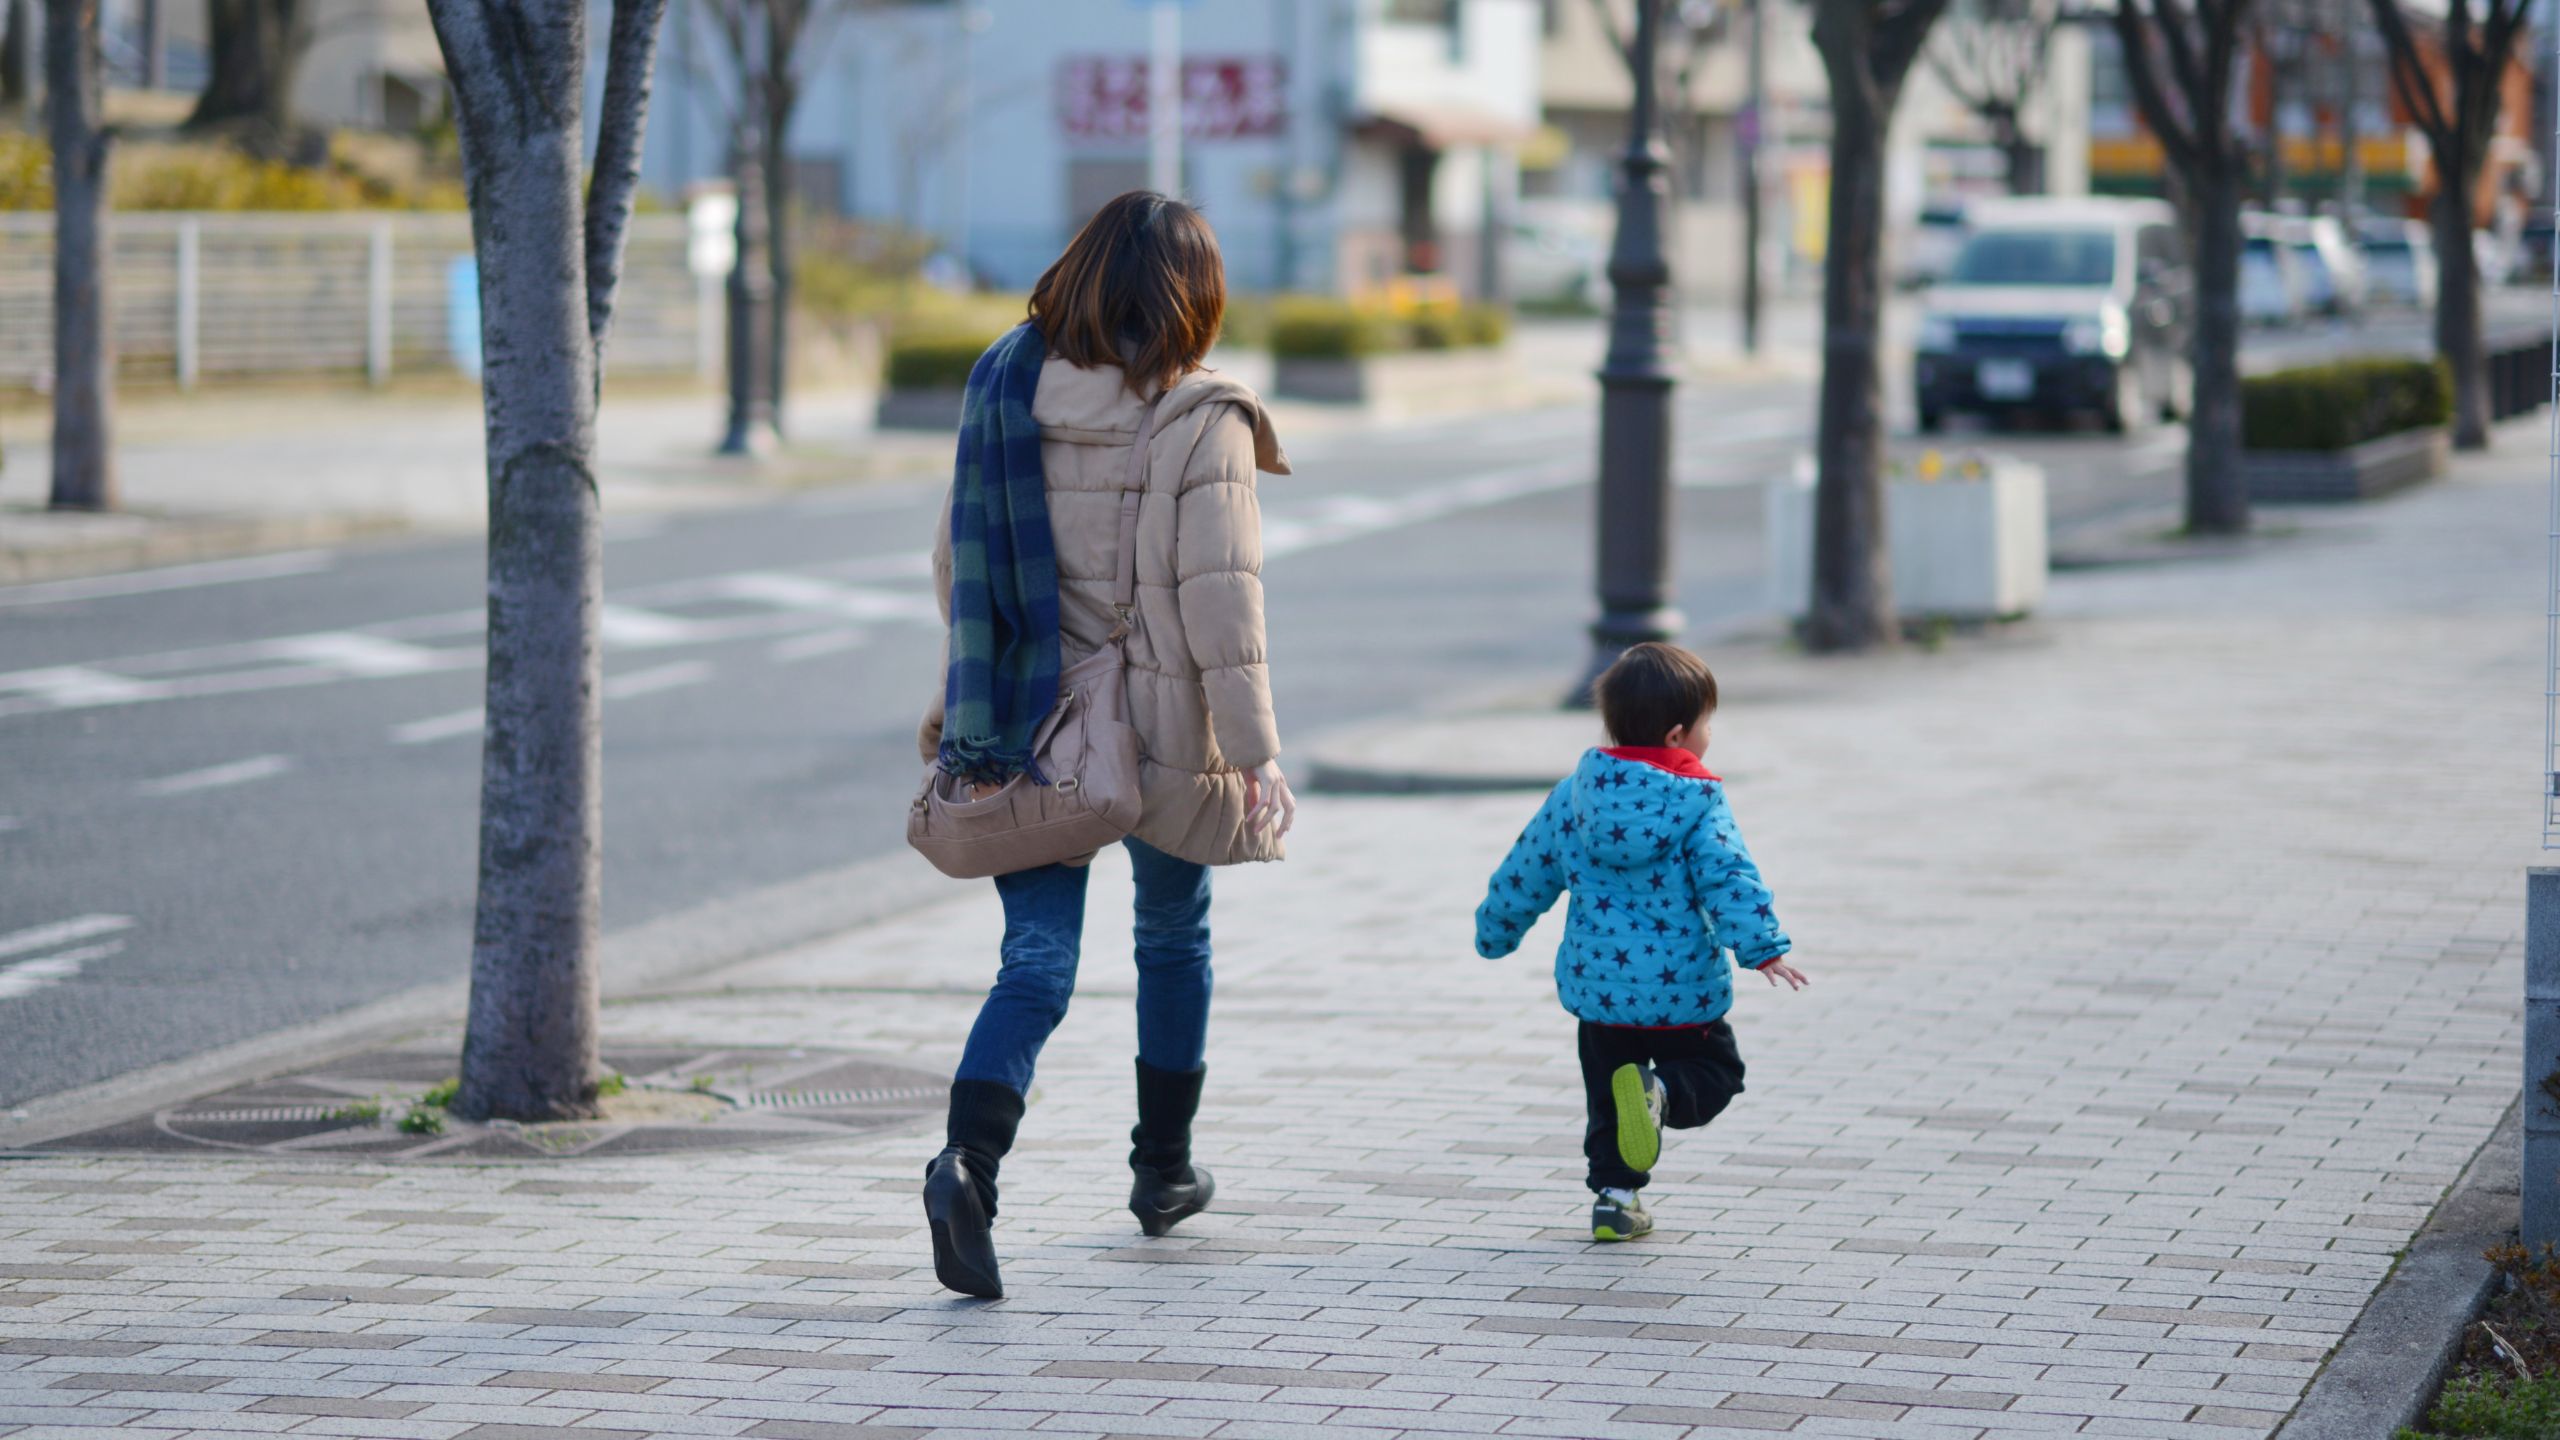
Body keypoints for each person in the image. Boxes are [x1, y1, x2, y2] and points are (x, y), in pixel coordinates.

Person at [916, 192, 1297, 1300]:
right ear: (1196, 295)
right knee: (1172, 936)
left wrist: (1006, 668)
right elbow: (1221, 602)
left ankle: (966, 1165)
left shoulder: (1004, 386)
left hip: (1021, 719)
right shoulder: (1199, 415)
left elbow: (952, 566)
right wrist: (1258, 748)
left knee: (1035, 961)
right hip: (1161, 722)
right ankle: (1161, 1171)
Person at [1474, 642, 1808, 1241]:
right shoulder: (1696, 801)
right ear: (1679, 735)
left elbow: (1526, 868)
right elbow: (1729, 875)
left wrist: (1497, 929)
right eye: (1708, 723)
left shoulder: (1574, 795)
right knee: (1716, 1070)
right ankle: (1663, 1092)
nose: (1711, 734)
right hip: (1681, 990)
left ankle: (1614, 1200)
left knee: (1608, 1096)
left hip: (1600, 990)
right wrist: (1763, 946)